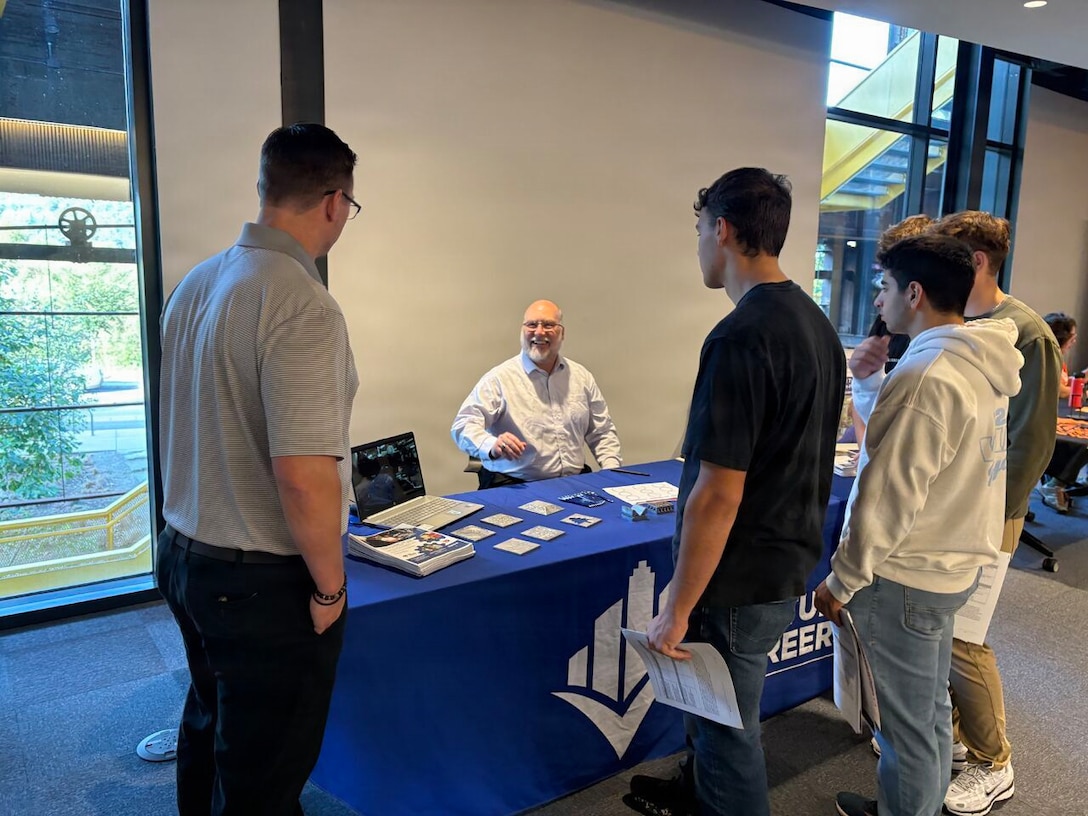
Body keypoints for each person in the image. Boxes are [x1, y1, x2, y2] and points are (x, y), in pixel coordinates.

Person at [157, 123, 360, 815]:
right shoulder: (302, 304)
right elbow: (303, 473)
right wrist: (331, 590)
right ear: (335, 202)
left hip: (185, 555)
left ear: (265, 188)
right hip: (259, 582)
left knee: (212, 724)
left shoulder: (196, 283)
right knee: (266, 772)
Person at [629, 168, 845, 816]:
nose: (699, 244)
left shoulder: (740, 335)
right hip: (783, 563)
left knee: (728, 730)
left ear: (721, 230)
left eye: (700, 231)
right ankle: (695, 795)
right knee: (714, 708)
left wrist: (678, 604)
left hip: (737, 576)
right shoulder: (817, 327)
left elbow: (718, 492)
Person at [814, 235, 1022, 816]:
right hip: (948, 567)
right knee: (927, 716)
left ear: (914, 292)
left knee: (906, 728)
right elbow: (924, 446)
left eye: (883, 287)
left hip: (906, 574)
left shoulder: (928, 374)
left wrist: (843, 578)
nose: (878, 301)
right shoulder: (973, 360)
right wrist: (868, 384)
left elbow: (888, 496)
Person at [928, 210, 1061, 816]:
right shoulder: (965, 322)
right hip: (953, 507)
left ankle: (994, 762)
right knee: (941, 632)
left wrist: (999, 519)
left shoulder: (1025, 332)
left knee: (964, 637)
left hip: (991, 512)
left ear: (976, 261)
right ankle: (959, 741)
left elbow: (1032, 441)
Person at [450, 299, 622, 487]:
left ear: (562, 333)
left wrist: (611, 474)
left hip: (575, 482)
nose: (539, 332)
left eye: (549, 325)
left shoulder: (581, 377)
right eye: (532, 325)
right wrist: (491, 445)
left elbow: (602, 432)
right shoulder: (498, 379)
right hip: (516, 486)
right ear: (522, 331)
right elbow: (463, 425)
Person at [850, 214, 933, 445]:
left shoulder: (940, 359)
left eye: (888, 285)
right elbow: (863, 405)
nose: (879, 301)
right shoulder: (887, 324)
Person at [1037, 312, 1084, 513]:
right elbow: (1060, 390)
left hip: (1050, 416)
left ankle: (1058, 479)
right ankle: (1055, 483)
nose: (1075, 341)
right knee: (1082, 442)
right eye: (1073, 336)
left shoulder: (1058, 359)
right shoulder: (1047, 359)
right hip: (1041, 423)